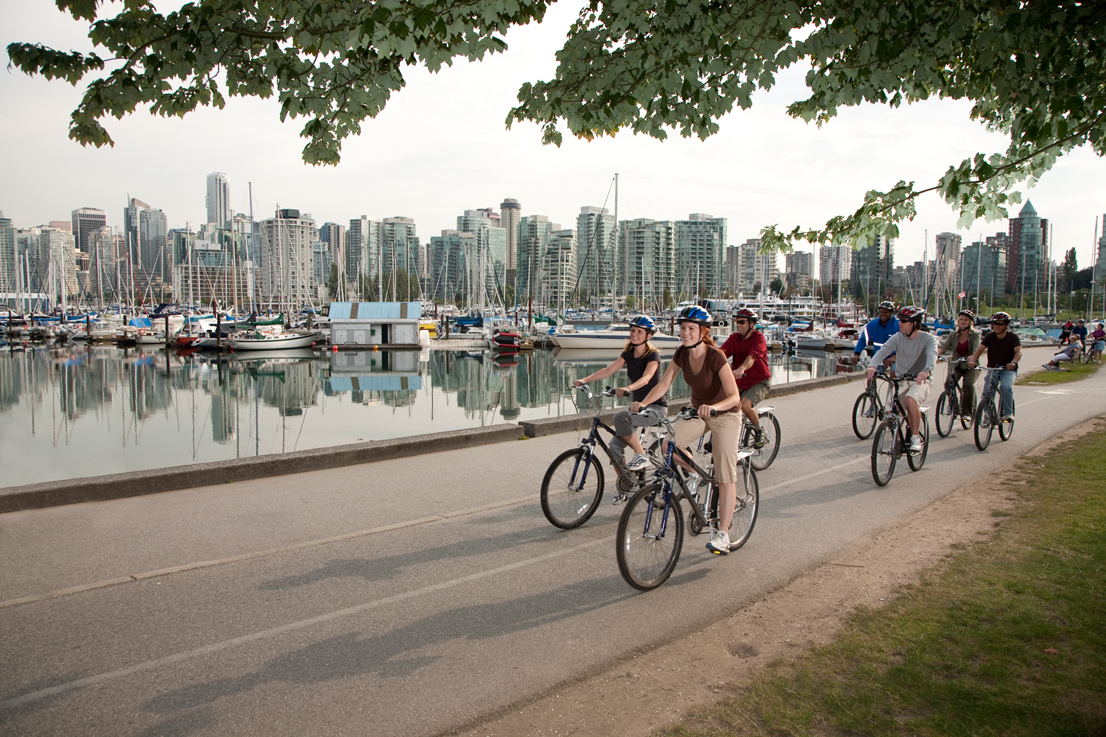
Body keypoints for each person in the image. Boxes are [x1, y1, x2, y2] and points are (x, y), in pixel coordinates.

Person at [638, 305, 742, 555]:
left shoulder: (716, 356)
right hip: (699, 411)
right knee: (668, 445)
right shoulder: (681, 354)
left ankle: (723, 534)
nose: (685, 333)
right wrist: (643, 404)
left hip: (726, 414)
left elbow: (734, 396)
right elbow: (664, 385)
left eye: (691, 329)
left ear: (703, 332)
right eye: (683, 328)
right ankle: (694, 474)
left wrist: (714, 407)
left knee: (725, 474)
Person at [572, 316, 667, 473]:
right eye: (632, 330)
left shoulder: (653, 356)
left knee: (620, 417)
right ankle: (624, 483)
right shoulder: (629, 352)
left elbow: (646, 378)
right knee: (614, 447)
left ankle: (641, 455)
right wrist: (585, 379)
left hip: (655, 408)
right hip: (636, 409)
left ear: (648, 336)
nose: (634, 334)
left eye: (639, 331)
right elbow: (609, 370)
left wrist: (628, 388)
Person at [866, 306, 938, 453]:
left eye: (904, 321)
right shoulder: (897, 338)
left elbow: (932, 355)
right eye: (899, 320)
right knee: (892, 412)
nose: (900, 323)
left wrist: (926, 370)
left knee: (910, 399)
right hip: (901, 380)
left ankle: (915, 437)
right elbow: (882, 351)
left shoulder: (928, 339)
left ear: (915, 323)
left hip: (920, 380)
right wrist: (872, 366)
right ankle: (898, 441)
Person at [720, 308, 771, 448]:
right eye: (737, 321)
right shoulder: (734, 338)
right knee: (722, 405)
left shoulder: (758, 338)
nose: (739, 325)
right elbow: (722, 354)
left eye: (742, 322)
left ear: (751, 324)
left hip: (759, 381)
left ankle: (759, 431)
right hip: (739, 381)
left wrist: (742, 368)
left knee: (744, 405)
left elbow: (752, 357)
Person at [967, 311, 1022, 421]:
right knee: (987, 392)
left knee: (1005, 387)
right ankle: (988, 416)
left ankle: (1008, 413)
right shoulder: (990, 336)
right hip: (993, 369)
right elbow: (979, 350)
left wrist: (1014, 363)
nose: (997, 326)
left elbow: (1019, 351)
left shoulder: (1013, 337)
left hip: (1008, 370)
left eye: (1000, 323)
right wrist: (973, 361)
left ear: (1006, 325)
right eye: (995, 323)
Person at [938, 309, 981, 419]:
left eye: (966, 320)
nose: (962, 322)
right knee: (948, 384)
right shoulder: (953, 334)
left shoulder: (975, 335)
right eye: (961, 319)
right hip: (956, 364)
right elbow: (944, 347)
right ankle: (955, 408)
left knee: (968, 385)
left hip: (971, 365)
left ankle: (967, 413)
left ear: (970, 322)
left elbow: (976, 349)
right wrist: (935, 354)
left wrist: (972, 358)